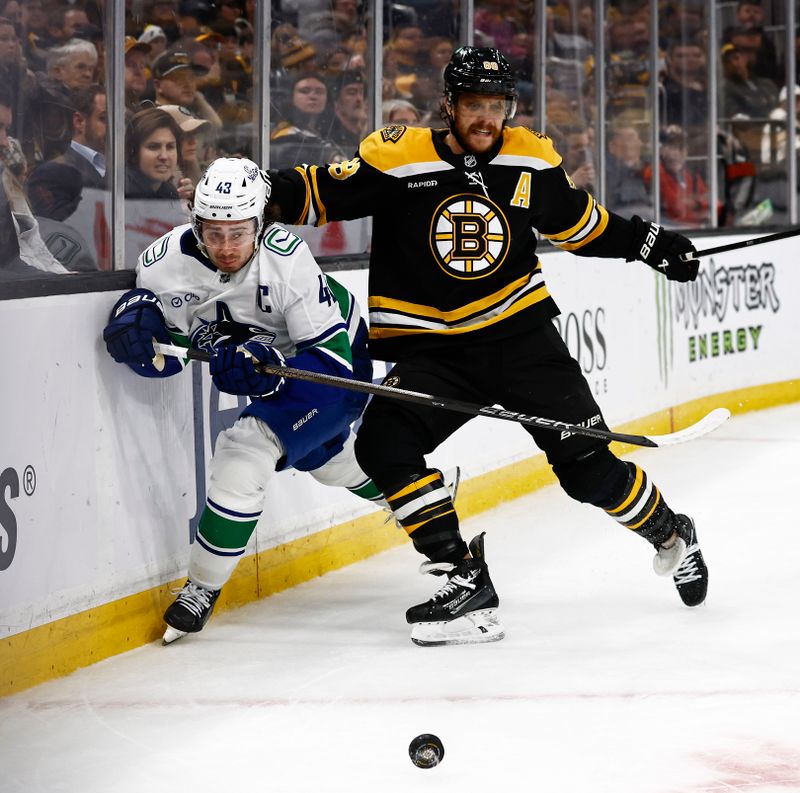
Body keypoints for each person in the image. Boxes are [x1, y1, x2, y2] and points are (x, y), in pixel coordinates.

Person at [268, 46, 708, 647]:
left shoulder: (529, 154)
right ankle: (464, 580)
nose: (485, 118)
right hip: (437, 353)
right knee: (383, 443)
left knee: (587, 474)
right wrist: (246, 192)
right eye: (474, 105)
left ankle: (670, 533)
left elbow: (580, 223)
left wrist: (651, 244)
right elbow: (318, 193)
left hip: (522, 343)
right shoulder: (398, 156)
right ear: (448, 105)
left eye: (496, 106)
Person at [102, 157, 385, 643]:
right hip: (281, 367)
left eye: (239, 233)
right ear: (196, 224)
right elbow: (171, 357)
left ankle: (201, 587)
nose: (227, 247)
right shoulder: (161, 264)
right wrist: (139, 338)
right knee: (326, 460)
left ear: (260, 223)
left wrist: (271, 380)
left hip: (338, 361)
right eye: (214, 234)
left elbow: (331, 365)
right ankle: (415, 493)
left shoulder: (285, 256)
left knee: (246, 450)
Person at [125, 106, 194, 200]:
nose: (164, 156)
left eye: (170, 147)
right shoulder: (120, 192)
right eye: (153, 147)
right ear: (133, 152)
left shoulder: (168, 192)